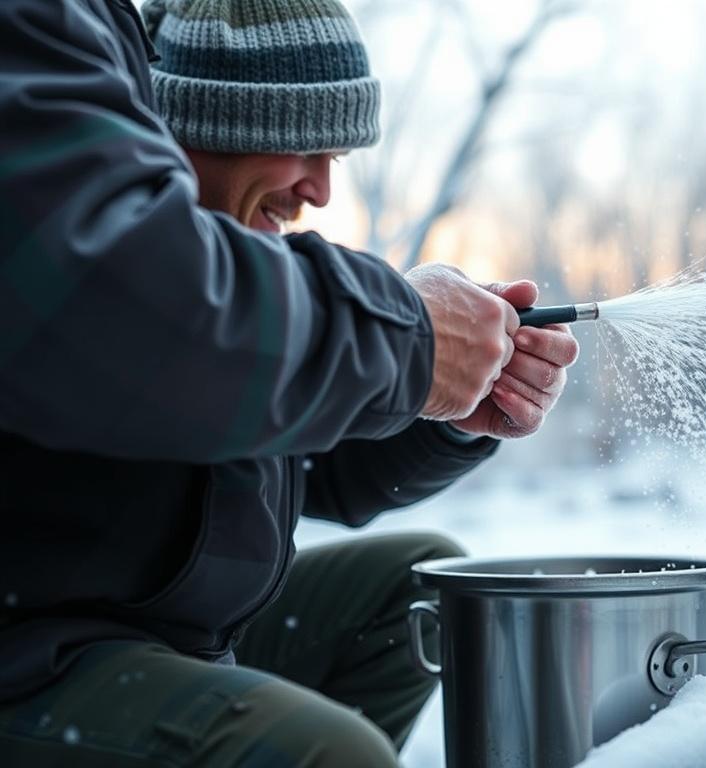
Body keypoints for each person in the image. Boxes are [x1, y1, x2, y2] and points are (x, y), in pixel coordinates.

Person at [0, 0, 578, 765]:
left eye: (335, 154)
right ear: (198, 123)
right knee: (327, 753)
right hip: (34, 652)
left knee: (417, 590)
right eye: (299, 142)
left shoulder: (218, 315)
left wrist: (450, 405)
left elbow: (303, 463)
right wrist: (408, 337)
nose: (322, 192)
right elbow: (129, 312)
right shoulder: (157, 297)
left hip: (154, 636)